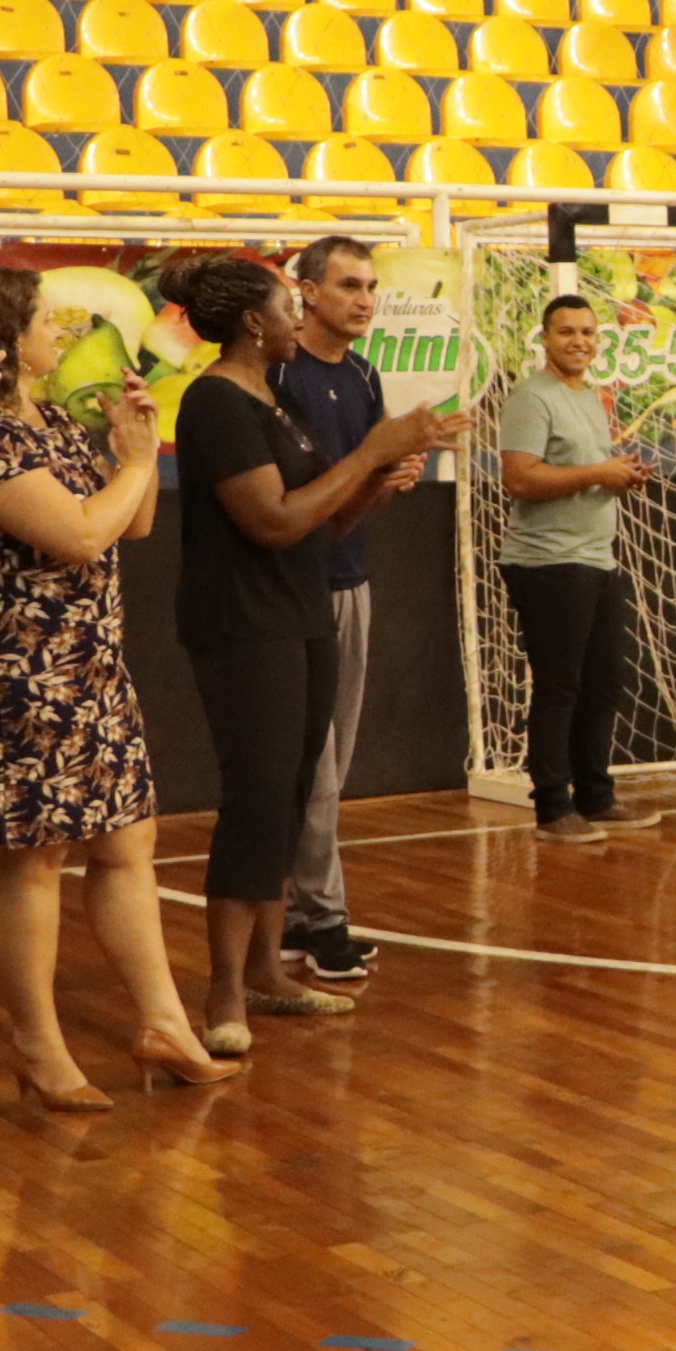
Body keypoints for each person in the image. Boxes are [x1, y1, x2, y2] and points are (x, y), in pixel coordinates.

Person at [0, 271, 234, 1109]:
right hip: (17, 670)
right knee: (35, 855)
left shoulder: (55, 419)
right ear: (1, 336)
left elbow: (127, 523)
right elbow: (81, 532)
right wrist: (136, 462)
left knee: (129, 842)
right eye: (45, 318)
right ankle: (38, 1045)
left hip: (91, 661)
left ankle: (165, 1023)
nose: (63, 329)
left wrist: (133, 449)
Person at [175, 256, 464, 1052]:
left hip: (299, 615)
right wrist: (370, 451)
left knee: (293, 792)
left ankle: (269, 974)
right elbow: (271, 521)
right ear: (253, 324)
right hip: (244, 624)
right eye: (285, 307)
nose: (297, 321)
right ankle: (224, 992)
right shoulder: (214, 401)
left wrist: (382, 476)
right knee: (257, 797)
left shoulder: (273, 400)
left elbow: (325, 523)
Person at [275, 237, 404, 987]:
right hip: (296, 587)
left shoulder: (363, 374)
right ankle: (322, 919)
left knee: (335, 760)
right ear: (308, 292)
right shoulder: (279, 375)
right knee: (312, 764)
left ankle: (301, 915)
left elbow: (366, 480)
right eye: (349, 284)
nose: (363, 299)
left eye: (372, 286)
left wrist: (395, 473)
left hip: (351, 577)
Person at [498, 293, 660, 836]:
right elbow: (519, 478)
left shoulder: (590, 398)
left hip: (596, 559)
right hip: (548, 562)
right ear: (544, 339)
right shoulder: (530, 397)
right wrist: (599, 473)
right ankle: (551, 806)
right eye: (566, 332)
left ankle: (595, 796)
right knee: (559, 684)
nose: (579, 341)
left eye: (588, 332)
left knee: (604, 681)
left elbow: (588, 471)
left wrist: (620, 474)